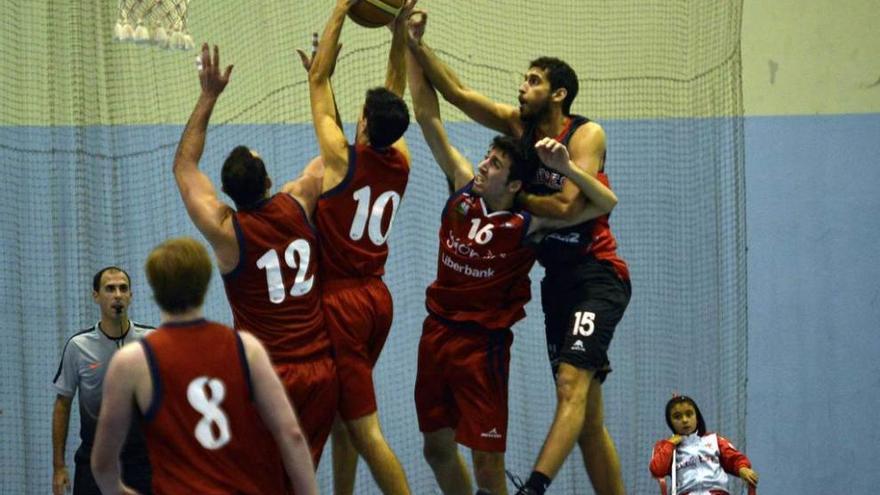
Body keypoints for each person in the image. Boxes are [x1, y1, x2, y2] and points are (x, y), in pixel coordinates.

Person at [406, 13, 631, 495]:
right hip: (553, 280)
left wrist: (515, 201)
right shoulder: (513, 136)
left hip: (595, 271)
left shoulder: (583, 135)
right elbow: (454, 97)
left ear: (558, 93)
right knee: (588, 422)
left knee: (571, 387)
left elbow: (578, 205)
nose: (521, 87)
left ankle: (534, 487)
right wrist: (414, 45)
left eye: (533, 81)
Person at [170, 43, 338, 468]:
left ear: (227, 193)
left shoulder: (227, 233)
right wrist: (320, 79)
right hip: (320, 369)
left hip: (269, 374)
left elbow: (184, 167)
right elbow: (333, 152)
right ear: (268, 179)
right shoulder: (298, 200)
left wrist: (208, 96)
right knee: (302, 477)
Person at [90, 237, 318, 495]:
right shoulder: (246, 347)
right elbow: (292, 435)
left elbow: (102, 465)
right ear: (206, 284)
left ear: (154, 289)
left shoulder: (133, 361)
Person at [307, 1, 414, 493]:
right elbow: (396, 83)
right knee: (346, 414)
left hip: (342, 302)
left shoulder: (339, 160)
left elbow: (319, 81)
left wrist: (341, 8)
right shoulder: (401, 158)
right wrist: (397, 30)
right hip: (378, 301)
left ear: (366, 124)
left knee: (367, 430)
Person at [52, 266, 153, 495]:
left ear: (131, 296)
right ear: (95, 296)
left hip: (142, 461)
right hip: (94, 460)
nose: (117, 294)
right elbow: (62, 404)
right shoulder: (78, 346)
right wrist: (58, 467)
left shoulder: (152, 342)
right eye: (110, 289)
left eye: (123, 288)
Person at [649, 395, 759, 494]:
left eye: (689, 414)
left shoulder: (714, 440)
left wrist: (742, 468)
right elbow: (657, 470)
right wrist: (670, 444)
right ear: (670, 421)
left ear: (697, 418)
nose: (685, 420)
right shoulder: (667, 447)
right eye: (677, 417)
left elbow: (734, 458)